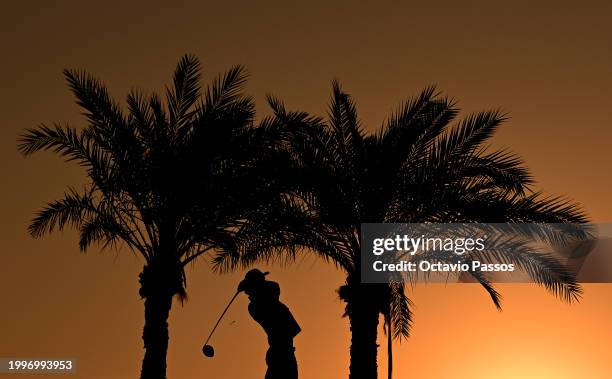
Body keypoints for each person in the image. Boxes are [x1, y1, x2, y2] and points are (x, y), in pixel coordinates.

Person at [237, 269, 301, 379]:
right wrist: (253, 284)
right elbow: (272, 289)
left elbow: (274, 287)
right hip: (280, 354)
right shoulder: (255, 307)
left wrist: (252, 284)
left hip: (283, 353)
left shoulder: (269, 296)